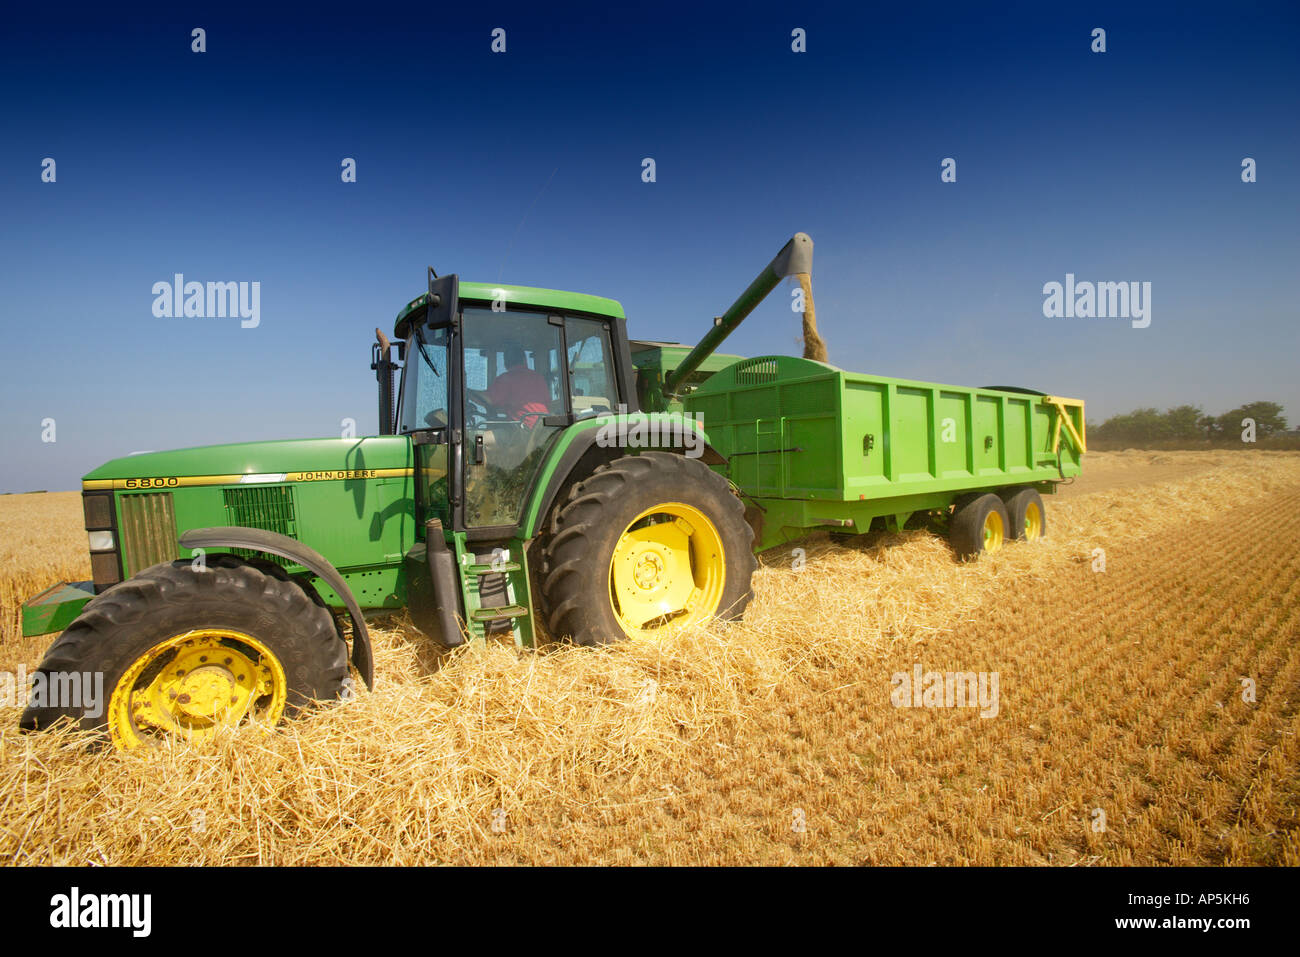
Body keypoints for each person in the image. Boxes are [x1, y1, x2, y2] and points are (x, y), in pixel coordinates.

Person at [487, 345, 551, 427]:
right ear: (525, 360)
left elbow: (488, 399)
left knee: (481, 436)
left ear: (505, 363)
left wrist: (468, 392)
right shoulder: (538, 377)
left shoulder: (506, 379)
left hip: (525, 429)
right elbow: (547, 403)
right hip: (544, 427)